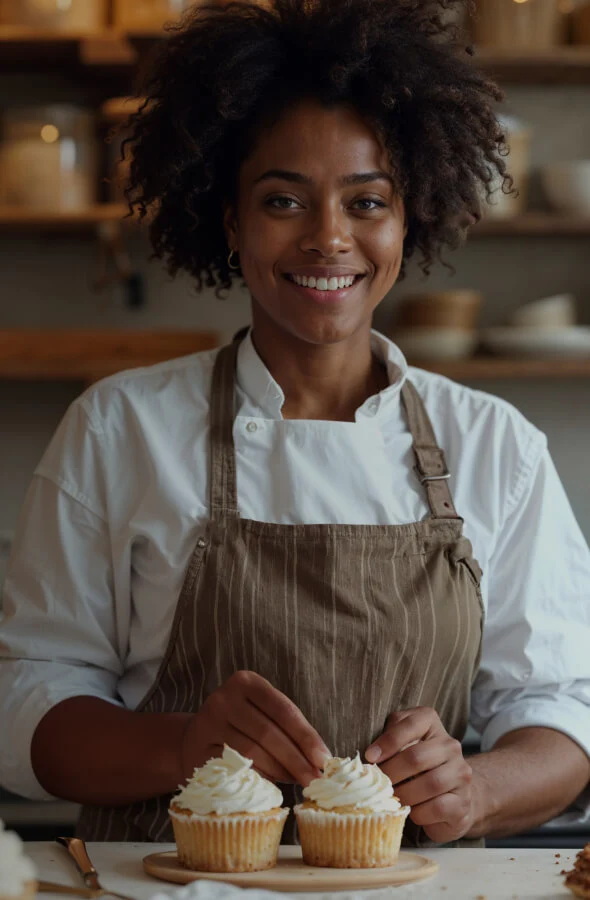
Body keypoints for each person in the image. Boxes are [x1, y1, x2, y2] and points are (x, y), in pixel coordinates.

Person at [1, 0, 589, 848]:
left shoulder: (496, 446)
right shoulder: (119, 428)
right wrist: (182, 747)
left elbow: (562, 710)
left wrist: (477, 789)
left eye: (367, 201)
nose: (328, 239)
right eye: (283, 200)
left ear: (409, 219)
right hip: (164, 889)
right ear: (230, 221)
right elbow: (28, 699)